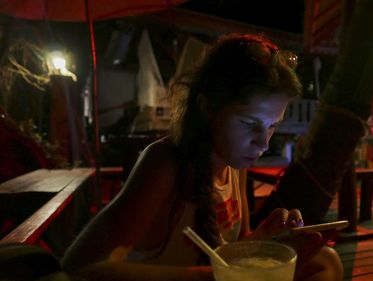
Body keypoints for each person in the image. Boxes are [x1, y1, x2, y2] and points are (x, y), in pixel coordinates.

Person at [62, 33, 343, 281]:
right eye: (249, 123)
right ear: (207, 107)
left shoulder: (235, 165)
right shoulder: (166, 163)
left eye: (272, 126)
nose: (263, 143)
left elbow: (228, 251)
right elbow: (82, 267)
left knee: (325, 261)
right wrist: (211, 277)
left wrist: (265, 237)